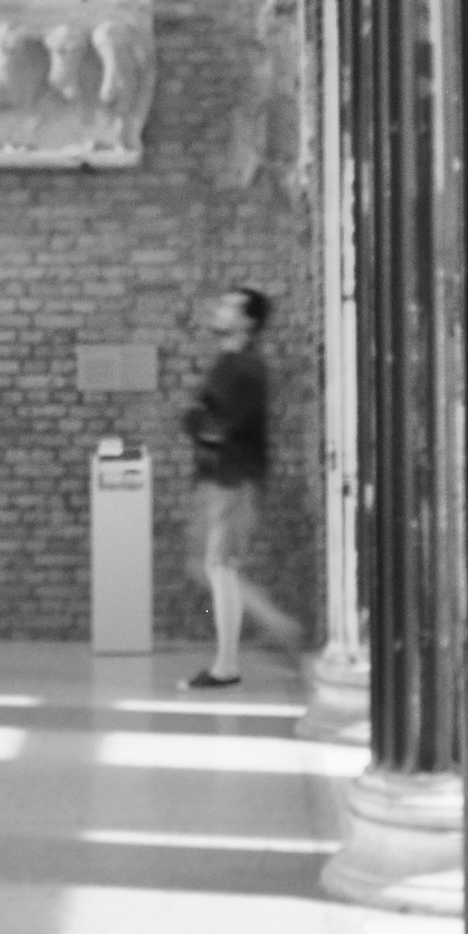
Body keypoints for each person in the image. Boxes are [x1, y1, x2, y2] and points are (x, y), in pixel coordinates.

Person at [181, 288, 303, 689]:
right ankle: (272, 630)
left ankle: (233, 661)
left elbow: (214, 425)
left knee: (220, 566)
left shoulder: (247, 368)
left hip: (233, 478)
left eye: (229, 306)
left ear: (247, 322)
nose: (219, 309)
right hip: (218, 477)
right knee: (206, 565)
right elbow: (201, 419)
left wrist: (200, 421)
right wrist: (199, 420)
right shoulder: (229, 363)